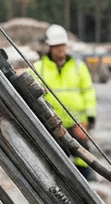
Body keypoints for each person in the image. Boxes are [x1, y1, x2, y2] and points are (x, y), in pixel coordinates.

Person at [32, 24, 98, 181]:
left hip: (77, 123)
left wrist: (89, 118)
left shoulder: (78, 66)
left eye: (62, 46)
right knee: (56, 160)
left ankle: (87, 184)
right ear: (49, 47)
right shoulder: (38, 68)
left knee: (83, 156)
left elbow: (88, 92)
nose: (59, 50)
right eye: (56, 46)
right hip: (52, 124)